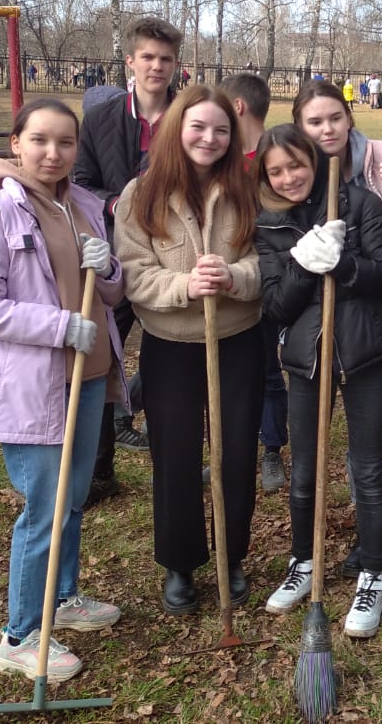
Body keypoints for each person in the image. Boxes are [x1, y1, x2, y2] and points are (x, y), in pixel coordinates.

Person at [0, 98, 125, 681]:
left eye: (65, 142)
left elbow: (112, 296)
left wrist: (108, 270)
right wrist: (58, 327)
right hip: (36, 387)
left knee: (72, 499)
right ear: (17, 144)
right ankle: (20, 635)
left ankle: (63, 596)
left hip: (90, 375)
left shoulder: (84, 207)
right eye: (40, 140)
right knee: (44, 510)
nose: (53, 153)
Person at [114, 85, 264, 615]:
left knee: (236, 452)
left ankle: (231, 555)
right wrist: (184, 286)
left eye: (221, 130)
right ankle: (180, 562)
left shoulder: (248, 189)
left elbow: (267, 260)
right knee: (175, 455)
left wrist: (235, 277)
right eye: (198, 127)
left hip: (236, 340)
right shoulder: (142, 194)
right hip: (171, 345)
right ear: (177, 129)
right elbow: (133, 273)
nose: (210, 138)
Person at [257, 125, 382, 637]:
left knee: (367, 467)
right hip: (305, 359)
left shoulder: (358, 203)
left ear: (314, 160)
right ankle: (304, 560)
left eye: (296, 164)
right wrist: (303, 263)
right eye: (276, 171)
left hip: (362, 353)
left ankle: (374, 572)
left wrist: (344, 264)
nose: (289, 177)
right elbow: (276, 306)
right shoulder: (269, 224)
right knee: (303, 471)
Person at [293, 79, 382, 575]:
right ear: (300, 126)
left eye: (335, 117)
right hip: (351, 318)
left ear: (349, 117)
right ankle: (369, 522)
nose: (327, 129)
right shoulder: (300, 174)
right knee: (361, 424)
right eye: (315, 121)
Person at [74, 17, 183, 503]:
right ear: (131, 63)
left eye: (166, 59)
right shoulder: (101, 119)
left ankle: (173, 465)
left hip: (172, 258)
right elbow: (81, 181)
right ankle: (100, 471)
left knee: (172, 361)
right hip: (115, 257)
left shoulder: (188, 117)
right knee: (99, 359)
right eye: (148, 58)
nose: (156, 66)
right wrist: (117, 204)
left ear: (175, 65)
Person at [219, 71, 289, 492]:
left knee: (266, 369)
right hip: (229, 281)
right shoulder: (222, 158)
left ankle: (271, 450)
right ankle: (230, 453)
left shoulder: (272, 159)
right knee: (230, 372)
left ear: (238, 106)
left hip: (266, 278)